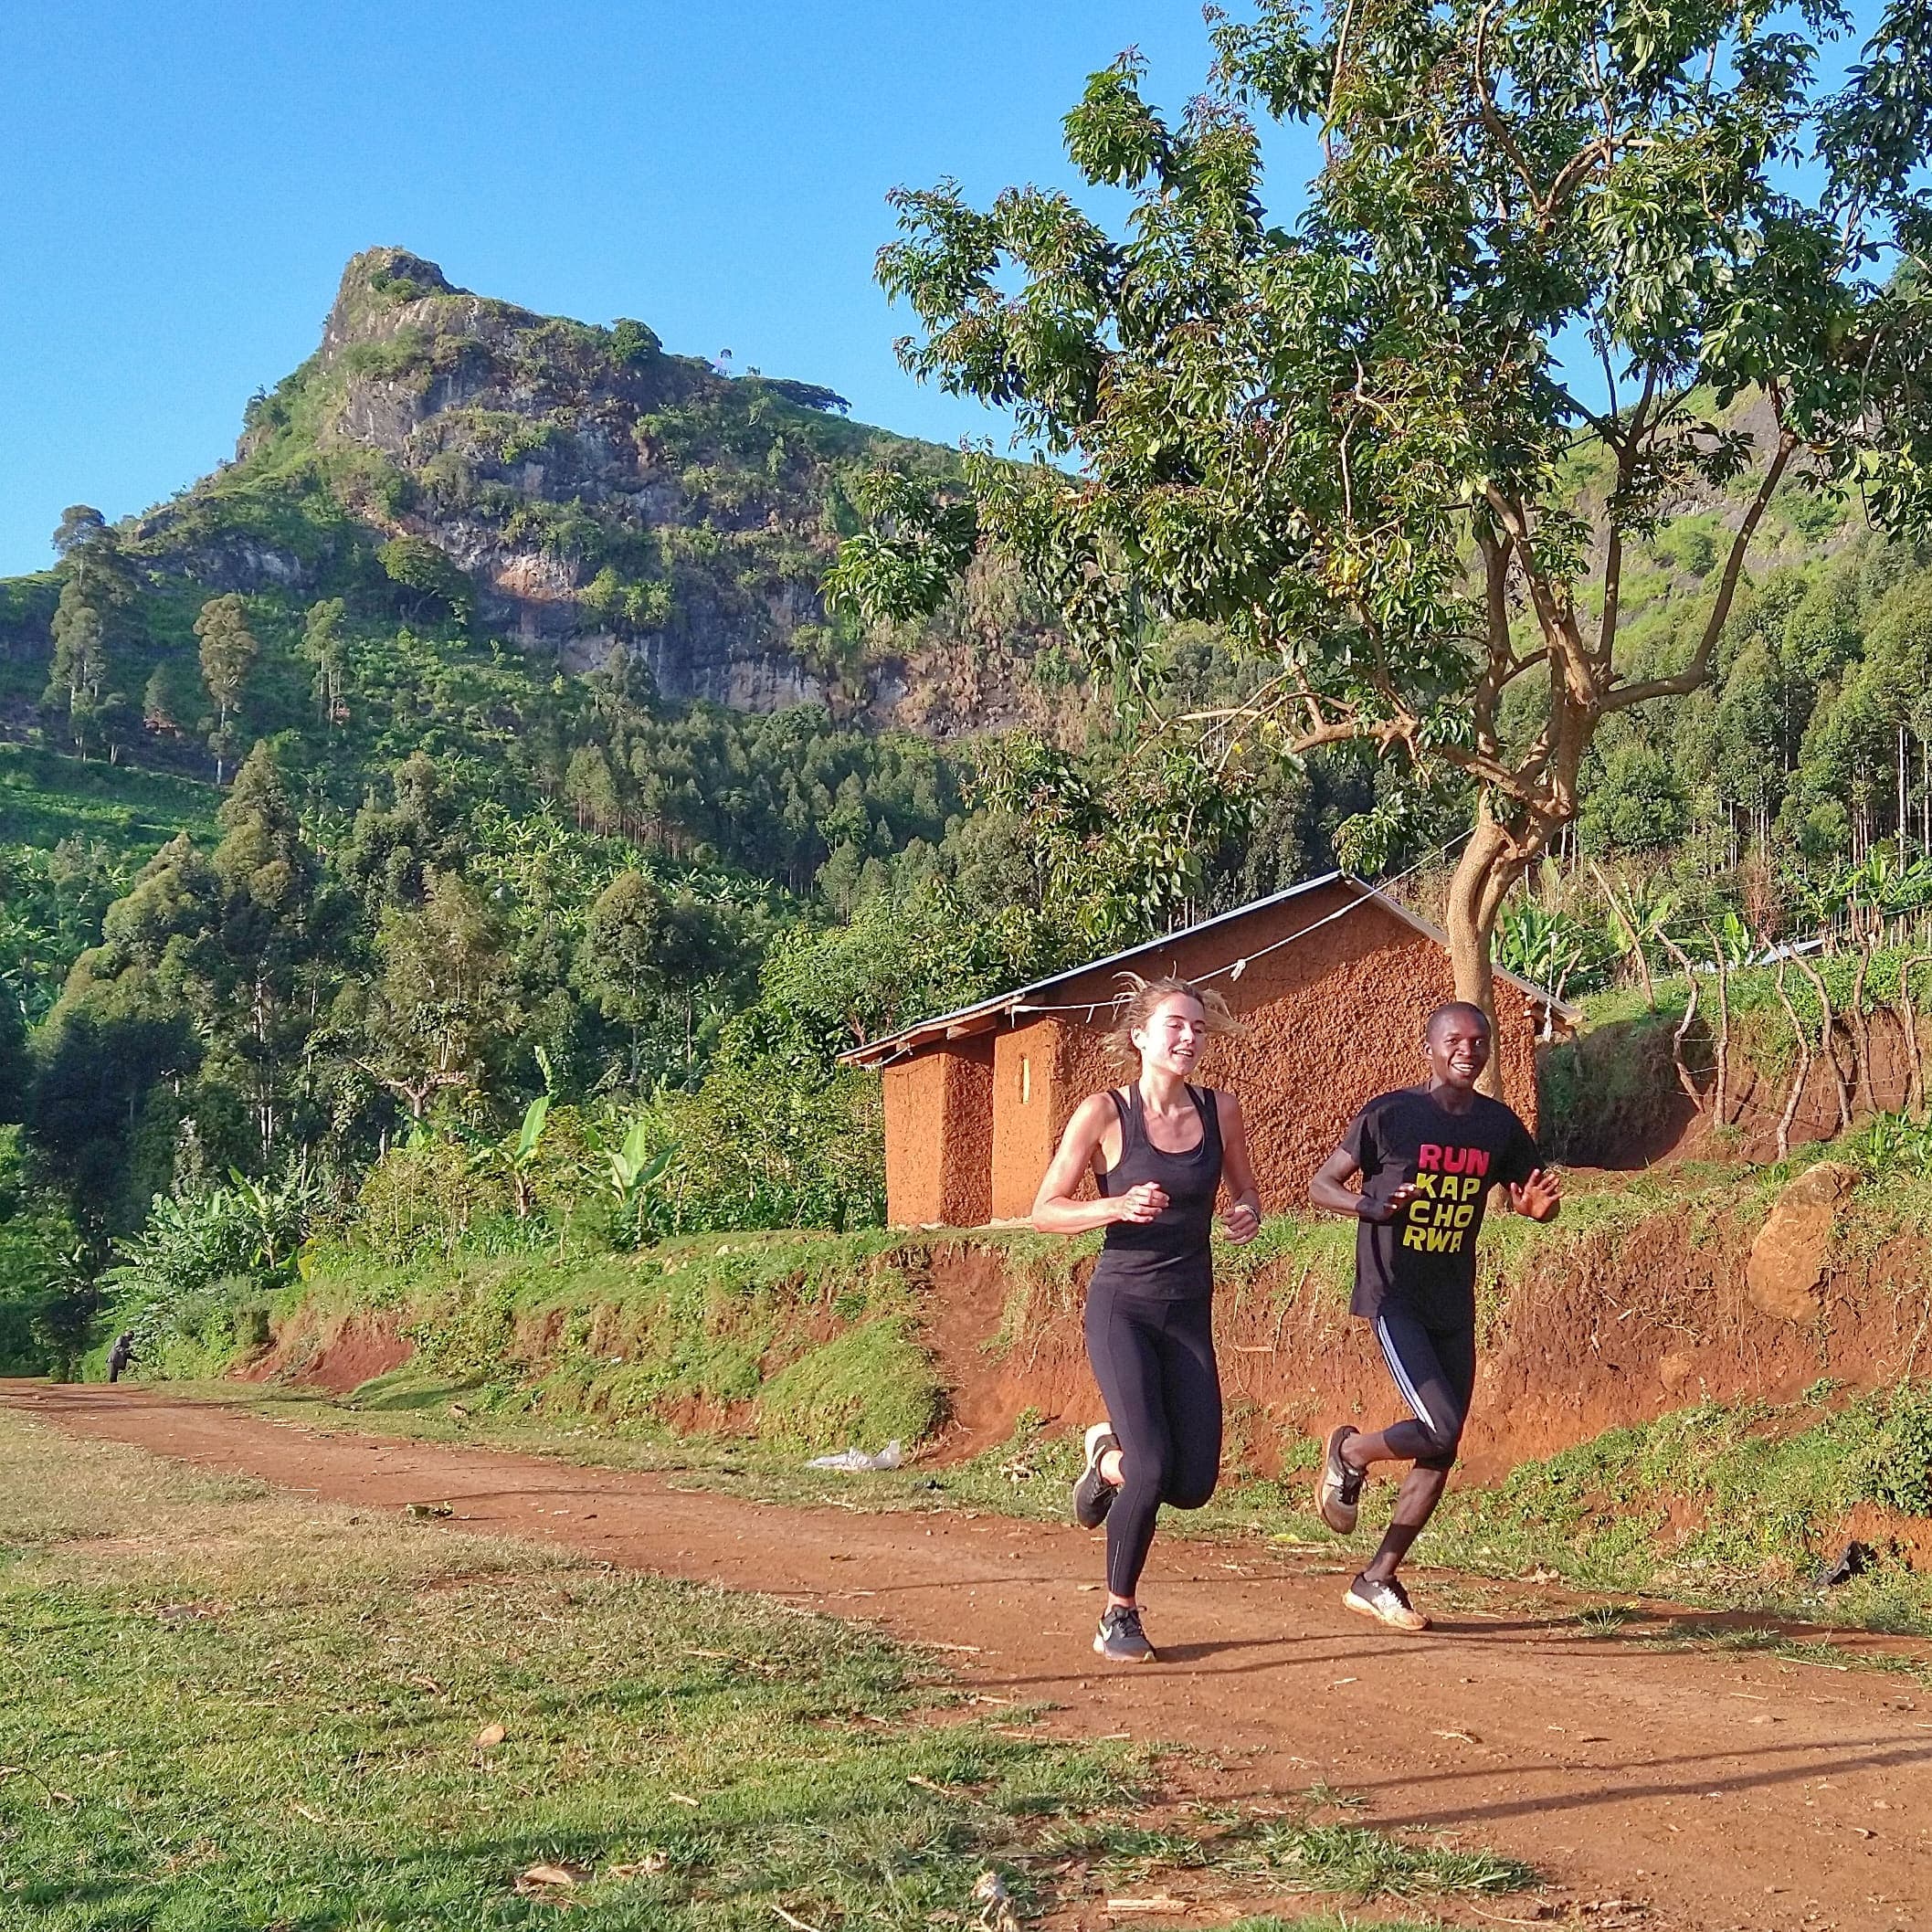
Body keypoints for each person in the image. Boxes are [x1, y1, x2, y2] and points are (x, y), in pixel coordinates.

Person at [1308, 1000, 1560, 1632]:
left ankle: (1376, 1578)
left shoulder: (1498, 1126)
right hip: (1395, 1295)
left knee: (1440, 1449)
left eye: (1479, 1041)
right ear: (1429, 1047)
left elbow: (1533, 1197)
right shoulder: (1390, 1115)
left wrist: (1535, 1212)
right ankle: (1352, 1450)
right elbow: (1320, 1185)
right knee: (1440, 1423)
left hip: (1454, 1299)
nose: (1467, 1050)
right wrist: (1369, 1203)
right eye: (1454, 1039)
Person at [1031, 975, 1262, 1663]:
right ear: (1140, 1036)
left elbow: (1245, 1187)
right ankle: (1118, 1613)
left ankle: (1106, 1462)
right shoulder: (1103, 1112)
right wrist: (1113, 1206)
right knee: (1155, 1465)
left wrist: (1246, 1211)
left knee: (1192, 1484)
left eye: (1196, 1026)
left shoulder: (1221, 1110)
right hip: (1121, 1306)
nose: (1189, 1037)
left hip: (1188, 1308)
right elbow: (1045, 1208)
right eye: (1175, 1025)